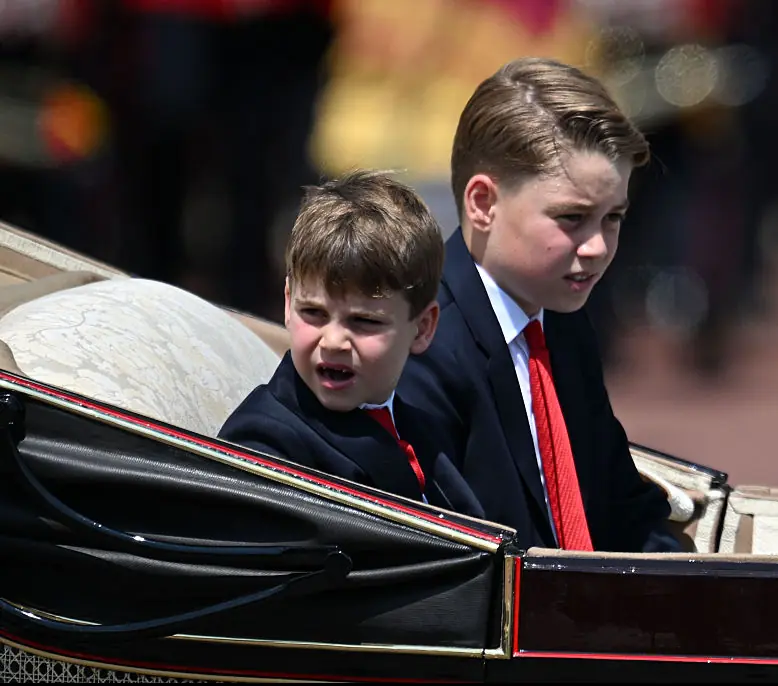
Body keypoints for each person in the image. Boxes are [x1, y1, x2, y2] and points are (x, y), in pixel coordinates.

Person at [398, 57, 684, 553]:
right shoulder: (423, 347)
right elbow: (456, 557)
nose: (597, 247)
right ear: (483, 204)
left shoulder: (562, 322)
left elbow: (621, 508)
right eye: (571, 218)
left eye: (613, 218)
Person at [219, 170, 483, 516]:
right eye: (313, 313)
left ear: (422, 329)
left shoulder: (427, 429)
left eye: (364, 321)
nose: (333, 341)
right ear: (288, 303)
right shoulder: (265, 445)